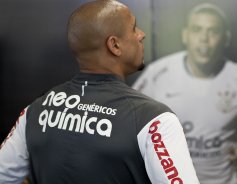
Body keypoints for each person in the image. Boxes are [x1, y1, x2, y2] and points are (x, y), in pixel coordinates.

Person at [0, 0, 200, 183]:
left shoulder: (35, 111)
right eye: (133, 28)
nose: (141, 34)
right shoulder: (154, 121)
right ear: (114, 45)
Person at [133, 3, 237, 184]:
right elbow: (129, 119)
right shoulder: (157, 74)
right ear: (185, 35)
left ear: (226, 38)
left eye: (213, 31)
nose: (204, 39)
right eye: (197, 30)